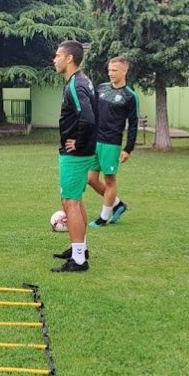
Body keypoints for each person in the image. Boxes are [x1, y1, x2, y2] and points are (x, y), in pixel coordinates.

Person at [51, 40, 98, 272]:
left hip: (76, 154)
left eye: (58, 55)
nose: (54, 60)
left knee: (70, 201)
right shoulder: (80, 81)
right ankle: (80, 248)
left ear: (69, 58)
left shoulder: (76, 85)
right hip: (80, 152)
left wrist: (78, 143)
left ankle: (79, 260)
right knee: (74, 200)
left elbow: (88, 118)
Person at [87, 56, 139, 227]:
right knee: (91, 179)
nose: (110, 73)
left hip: (111, 142)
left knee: (109, 180)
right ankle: (118, 204)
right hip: (95, 140)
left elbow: (133, 124)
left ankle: (103, 218)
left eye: (114, 70)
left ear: (124, 71)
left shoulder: (130, 96)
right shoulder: (101, 88)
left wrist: (128, 149)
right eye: (109, 70)